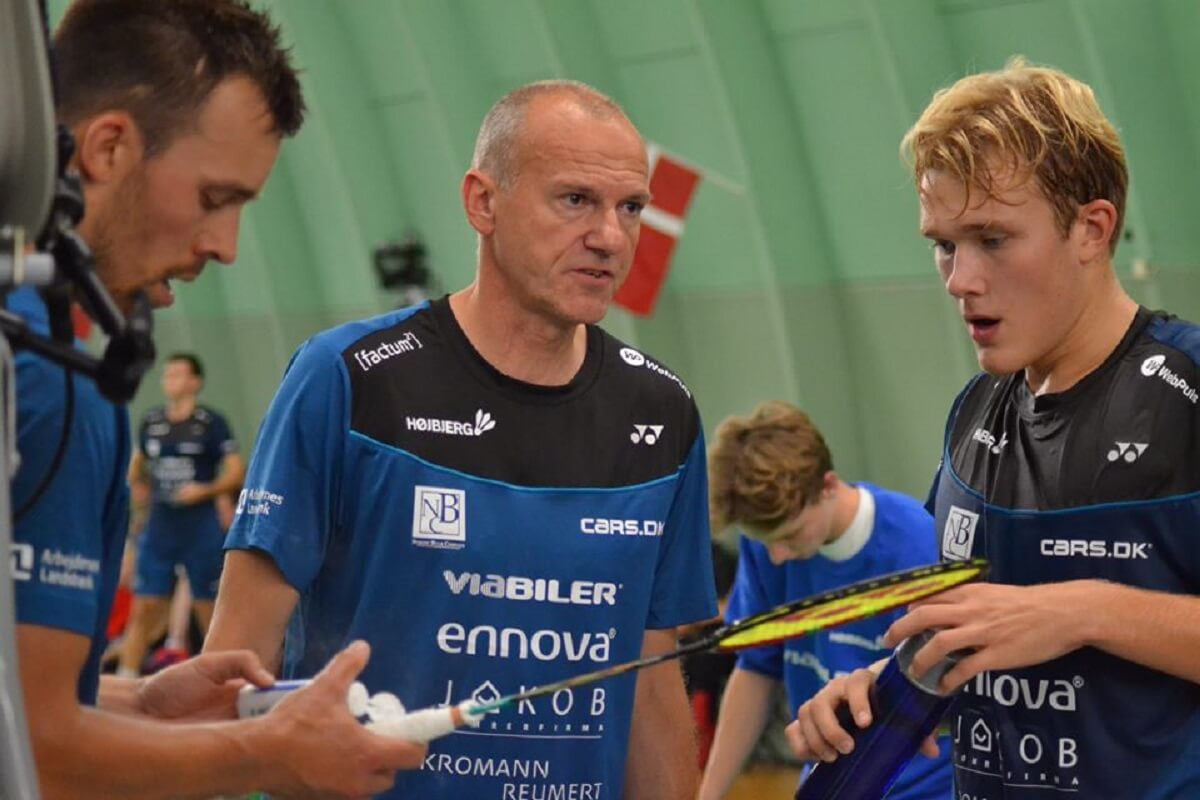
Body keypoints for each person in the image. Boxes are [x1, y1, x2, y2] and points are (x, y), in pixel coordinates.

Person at [205, 79, 718, 798]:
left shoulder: (662, 416)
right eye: (575, 200)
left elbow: (651, 674)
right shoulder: (348, 381)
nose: (609, 236)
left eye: (630, 207)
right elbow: (236, 660)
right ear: (483, 201)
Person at [10, 2, 425, 797]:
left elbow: (20, 702)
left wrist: (142, 700)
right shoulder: (48, 376)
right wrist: (269, 752)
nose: (225, 247)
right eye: (213, 198)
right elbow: (38, 750)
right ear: (108, 147)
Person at [786, 58, 1200, 799]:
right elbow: (982, 633)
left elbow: (1052, 617)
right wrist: (877, 689)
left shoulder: (1188, 397)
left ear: (1092, 229)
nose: (959, 279)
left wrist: (1087, 610)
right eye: (943, 243)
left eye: (993, 239)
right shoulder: (975, 414)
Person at [696, 401, 950, 800]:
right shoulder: (765, 548)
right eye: (767, 541)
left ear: (828, 485)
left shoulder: (915, 544)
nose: (777, 556)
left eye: (791, 535)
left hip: (927, 788)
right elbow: (756, 670)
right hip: (829, 783)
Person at [117, 352, 244, 677]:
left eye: (177, 375)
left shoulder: (211, 423)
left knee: (207, 609)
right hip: (161, 525)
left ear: (194, 382)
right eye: (167, 375)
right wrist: (138, 485)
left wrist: (206, 490)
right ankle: (126, 680)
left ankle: (219, 682)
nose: (170, 381)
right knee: (144, 607)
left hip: (200, 526)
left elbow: (235, 472)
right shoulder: (151, 421)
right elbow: (138, 467)